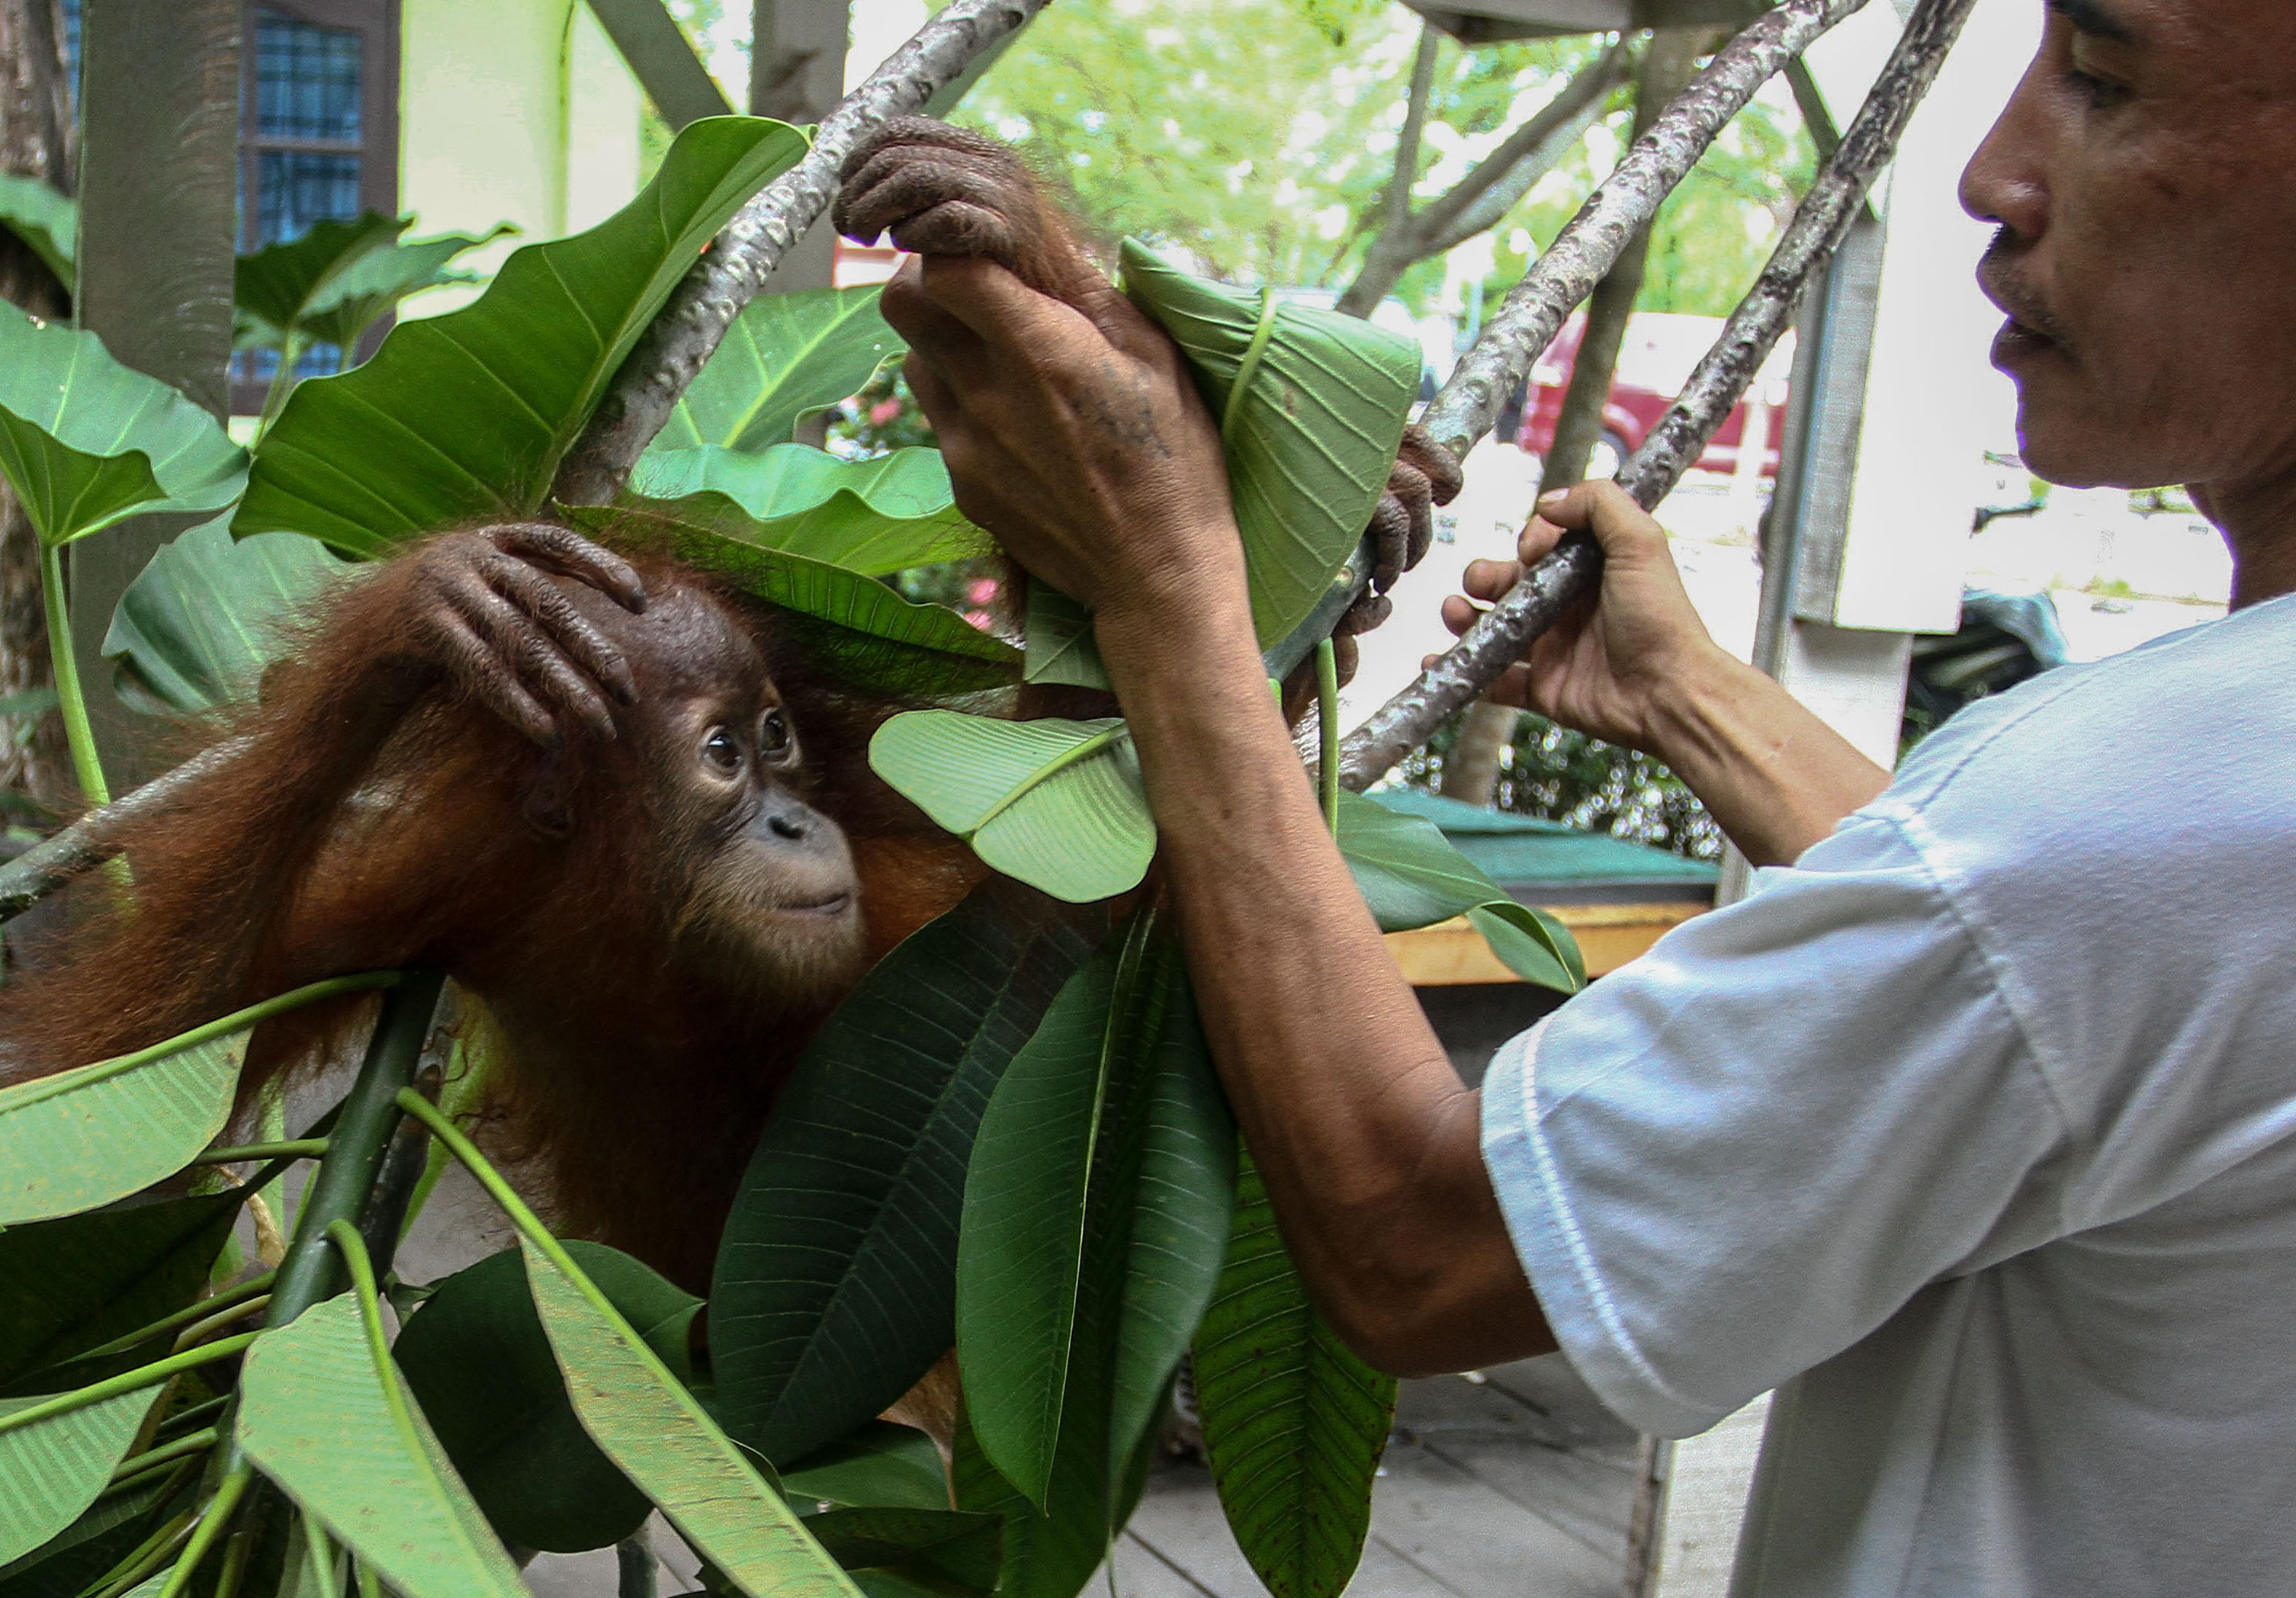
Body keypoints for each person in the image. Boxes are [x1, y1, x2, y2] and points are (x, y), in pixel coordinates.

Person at [874, 0, 2296, 1592]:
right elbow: (2053, 997)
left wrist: (1166, 587)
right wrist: (1687, 694)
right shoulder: (2185, 819)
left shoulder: (2150, 816)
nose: (1990, 171)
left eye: (2102, 79)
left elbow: (1420, 1239)